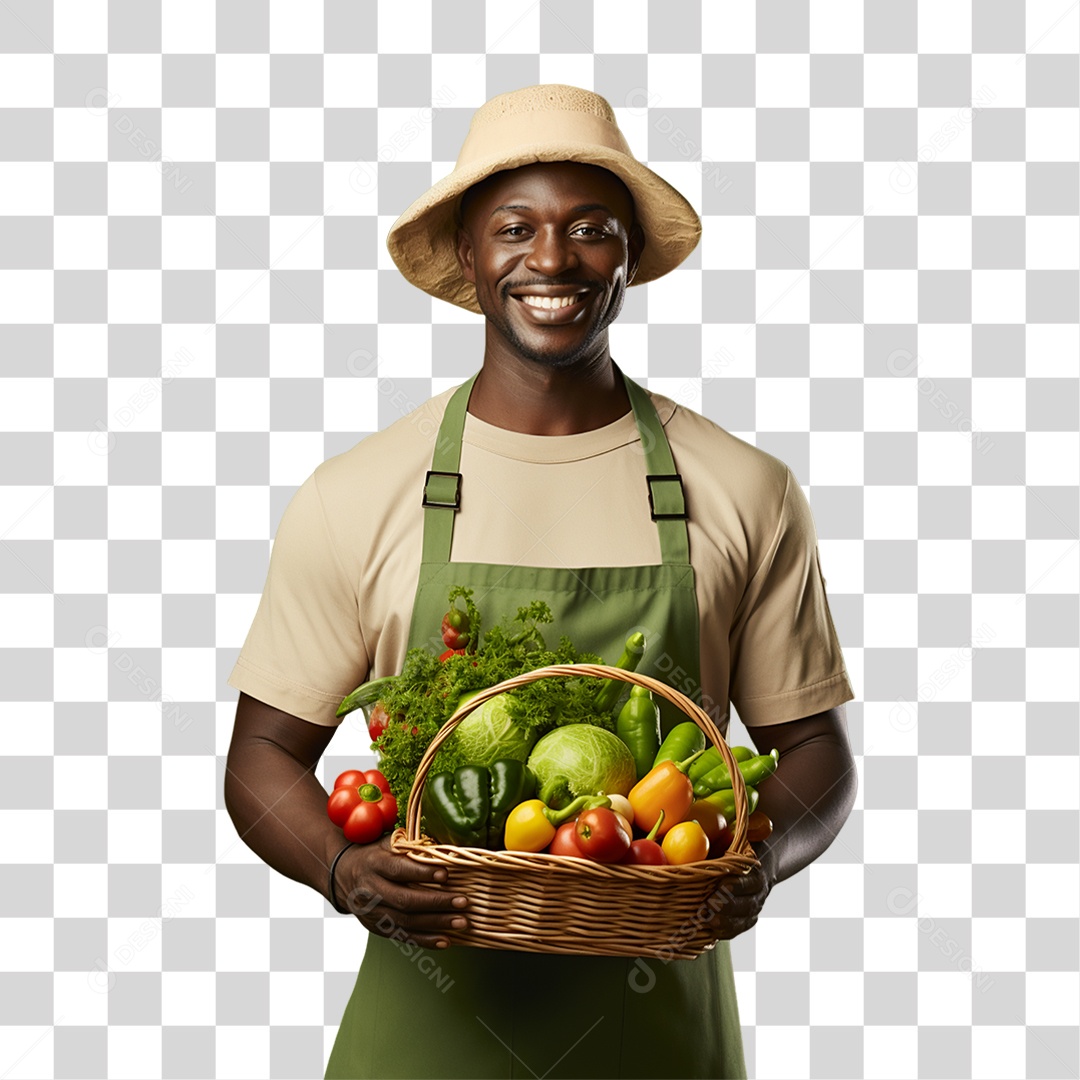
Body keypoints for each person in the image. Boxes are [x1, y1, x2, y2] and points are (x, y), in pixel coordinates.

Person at [224, 84, 857, 1080]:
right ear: (470, 254)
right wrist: (342, 870)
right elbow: (262, 756)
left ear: (629, 255)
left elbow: (816, 750)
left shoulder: (746, 490)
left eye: (590, 229)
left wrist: (759, 860)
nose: (552, 260)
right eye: (515, 228)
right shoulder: (355, 495)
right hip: (423, 1037)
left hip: (659, 1035)